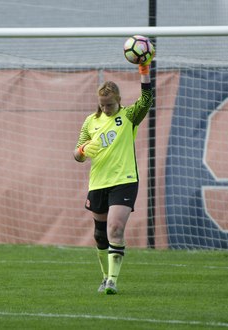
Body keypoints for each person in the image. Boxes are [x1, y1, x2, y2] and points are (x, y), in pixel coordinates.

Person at [73, 54, 153, 295]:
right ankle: (104, 276)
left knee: (115, 228)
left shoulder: (129, 116)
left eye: (109, 104)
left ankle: (112, 282)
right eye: (101, 104)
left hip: (124, 180)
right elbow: (76, 155)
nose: (105, 108)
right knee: (99, 236)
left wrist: (144, 70)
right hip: (98, 182)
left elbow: (147, 99)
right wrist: (83, 149)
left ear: (118, 100)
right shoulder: (90, 121)